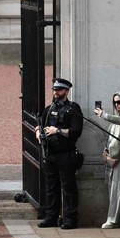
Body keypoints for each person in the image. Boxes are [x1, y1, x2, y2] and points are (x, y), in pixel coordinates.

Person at [36, 78, 84, 229]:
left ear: (66, 91)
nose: (55, 92)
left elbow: (77, 131)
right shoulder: (49, 109)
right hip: (50, 153)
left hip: (66, 154)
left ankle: (70, 219)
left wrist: (57, 130)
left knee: (68, 187)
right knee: (51, 187)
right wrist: (38, 131)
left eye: (59, 90)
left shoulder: (73, 109)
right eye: (54, 90)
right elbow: (40, 123)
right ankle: (51, 217)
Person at [93, 91, 120, 229]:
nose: (117, 105)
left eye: (119, 102)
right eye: (115, 102)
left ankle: (113, 219)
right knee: (114, 189)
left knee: (118, 189)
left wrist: (104, 115)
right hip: (113, 156)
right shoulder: (117, 118)